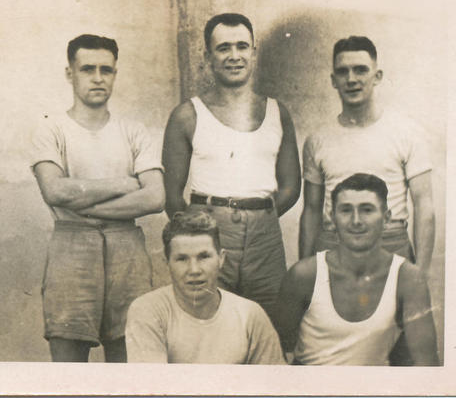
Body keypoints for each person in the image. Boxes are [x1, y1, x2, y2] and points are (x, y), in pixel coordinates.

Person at [30, 34, 165, 362]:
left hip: (126, 248)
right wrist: (123, 183)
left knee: (128, 355)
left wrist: (83, 204)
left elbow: (155, 197)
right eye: (87, 68)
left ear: (115, 74)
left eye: (107, 69)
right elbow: (54, 190)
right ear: (69, 73)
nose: (98, 77)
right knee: (69, 361)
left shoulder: (133, 131)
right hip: (71, 246)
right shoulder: (52, 129)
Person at [162, 13, 300, 323]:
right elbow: (171, 195)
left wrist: (257, 215)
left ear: (254, 52)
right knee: (208, 327)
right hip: (210, 231)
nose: (234, 56)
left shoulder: (278, 112)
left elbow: (291, 186)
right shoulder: (187, 114)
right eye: (224, 48)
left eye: (242, 46)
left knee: (267, 328)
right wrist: (204, 231)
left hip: (265, 238)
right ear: (208, 56)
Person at [299, 36, 434, 272]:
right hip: (334, 245)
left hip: (390, 243)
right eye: (343, 72)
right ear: (333, 80)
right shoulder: (317, 140)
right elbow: (311, 210)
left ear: (377, 76)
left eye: (361, 70)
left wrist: (419, 274)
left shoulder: (407, 133)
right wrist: (304, 271)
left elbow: (424, 205)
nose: (352, 79)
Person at [276, 173, 438, 366]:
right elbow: (275, 356)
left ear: (386, 218)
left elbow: (426, 365)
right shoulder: (304, 275)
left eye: (367, 210)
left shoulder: (408, 278)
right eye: (345, 210)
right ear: (333, 218)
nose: (356, 221)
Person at [125, 210, 285, 364]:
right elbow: (154, 387)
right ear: (166, 262)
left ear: (221, 259)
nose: (194, 270)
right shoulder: (147, 310)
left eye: (204, 257)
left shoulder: (250, 314)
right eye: (182, 259)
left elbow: (271, 384)